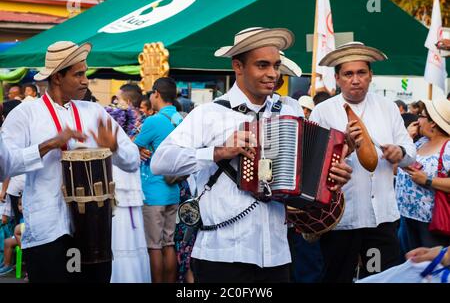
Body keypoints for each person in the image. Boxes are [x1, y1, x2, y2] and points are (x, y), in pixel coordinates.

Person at [151, 27, 352, 283]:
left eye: (276, 65)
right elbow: (161, 162)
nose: (272, 73)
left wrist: (332, 175)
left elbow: (304, 176)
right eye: (262, 65)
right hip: (220, 254)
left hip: (277, 254)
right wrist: (219, 151)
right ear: (238, 66)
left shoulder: (290, 111)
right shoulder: (209, 113)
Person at [1, 41, 140, 283]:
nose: (86, 80)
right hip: (49, 232)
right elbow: (5, 166)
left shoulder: (94, 112)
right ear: (57, 77)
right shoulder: (26, 114)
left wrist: (114, 147)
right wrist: (49, 145)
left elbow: (133, 161)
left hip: (94, 231)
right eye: (78, 74)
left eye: (85, 73)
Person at [309, 41, 417, 283]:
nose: (355, 79)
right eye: (348, 74)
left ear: (371, 76)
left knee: (378, 277)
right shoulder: (323, 112)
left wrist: (399, 152)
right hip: (341, 219)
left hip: (381, 219)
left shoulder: (388, 107)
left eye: (361, 73)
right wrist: (344, 147)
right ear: (337, 78)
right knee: (337, 277)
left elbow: (410, 150)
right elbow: (313, 167)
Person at [134, 77, 183, 283]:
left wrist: (138, 145)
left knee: (154, 245)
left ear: (156, 94)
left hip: (154, 190)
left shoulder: (153, 121)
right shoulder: (181, 119)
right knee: (169, 243)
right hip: (174, 189)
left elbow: (131, 146)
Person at [104, 83, 151, 283]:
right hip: (122, 190)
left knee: (126, 241)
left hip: (124, 190)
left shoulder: (132, 133)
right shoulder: (132, 135)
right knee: (124, 241)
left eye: (118, 99)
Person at [396, 99, 450, 250]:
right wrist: (407, 138)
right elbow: (396, 168)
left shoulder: (448, 147)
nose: (417, 119)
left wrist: (427, 180)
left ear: (432, 122)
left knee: (428, 268)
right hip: (406, 217)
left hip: (432, 223)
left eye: (421, 115)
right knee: (408, 266)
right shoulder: (420, 142)